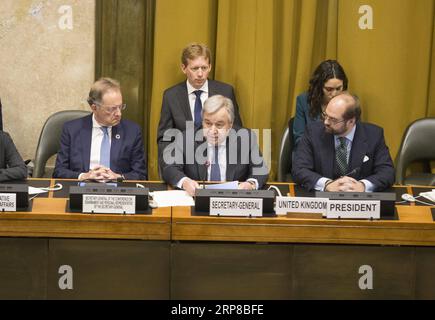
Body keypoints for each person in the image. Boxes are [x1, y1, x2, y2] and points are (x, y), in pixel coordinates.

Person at [157, 43, 243, 171]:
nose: (200, 74)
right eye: (195, 68)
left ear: (210, 67)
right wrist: (170, 173)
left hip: (218, 165)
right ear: (183, 68)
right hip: (184, 167)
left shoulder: (226, 91)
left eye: (204, 68)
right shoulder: (171, 96)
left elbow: (236, 131)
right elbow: (165, 138)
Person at [161, 95, 268, 196]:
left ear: (230, 125)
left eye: (219, 125)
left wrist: (250, 184)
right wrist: (185, 182)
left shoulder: (245, 139)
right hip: (197, 200)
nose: (212, 130)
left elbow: (260, 169)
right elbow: (169, 168)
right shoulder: (187, 138)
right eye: (207, 123)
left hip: (233, 201)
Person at [292, 92, 394, 192]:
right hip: (323, 201)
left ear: (351, 121)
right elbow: (299, 169)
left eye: (333, 119)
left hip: (359, 203)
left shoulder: (374, 135)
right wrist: (326, 184)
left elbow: (387, 172)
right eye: (325, 115)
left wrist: (363, 186)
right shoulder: (313, 132)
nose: (326, 122)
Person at [53, 77, 147, 181]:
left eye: (120, 107)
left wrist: (118, 177)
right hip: (82, 189)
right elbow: (59, 171)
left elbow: (141, 174)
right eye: (111, 109)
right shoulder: (72, 130)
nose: (118, 114)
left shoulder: (132, 131)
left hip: (118, 191)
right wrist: (84, 176)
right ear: (94, 107)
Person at [292, 60, 348, 149]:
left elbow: (354, 138)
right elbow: (299, 140)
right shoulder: (303, 101)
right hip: (311, 154)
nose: (334, 94)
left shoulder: (349, 103)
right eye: (329, 89)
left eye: (338, 88)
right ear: (319, 87)